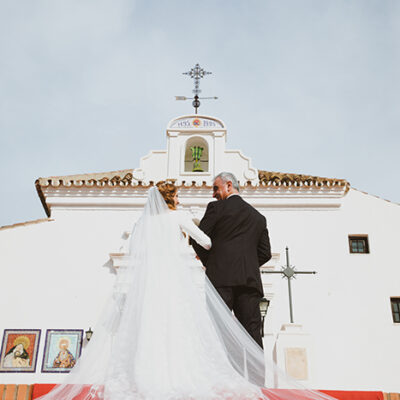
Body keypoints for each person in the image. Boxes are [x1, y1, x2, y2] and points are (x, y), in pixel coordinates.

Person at [36, 181, 335, 400]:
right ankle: (190, 374)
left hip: (149, 283)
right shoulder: (180, 217)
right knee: (182, 326)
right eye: (177, 195)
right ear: (171, 198)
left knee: (150, 327)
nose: (180, 198)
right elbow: (206, 241)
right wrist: (229, 253)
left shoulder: (142, 223)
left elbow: (137, 248)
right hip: (178, 279)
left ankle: (145, 374)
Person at [191, 172, 271, 348]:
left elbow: (198, 239)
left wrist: (213, 264)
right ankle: (256, 368)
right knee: (253, 335)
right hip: (249, 283)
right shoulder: (258, 217)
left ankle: (223, 367)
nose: (213, 194)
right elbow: (265, 253)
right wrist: (246, 265)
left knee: (218, 332)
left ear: (228, 185)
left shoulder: (216, 208)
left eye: (215, 188)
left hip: (220, 281)